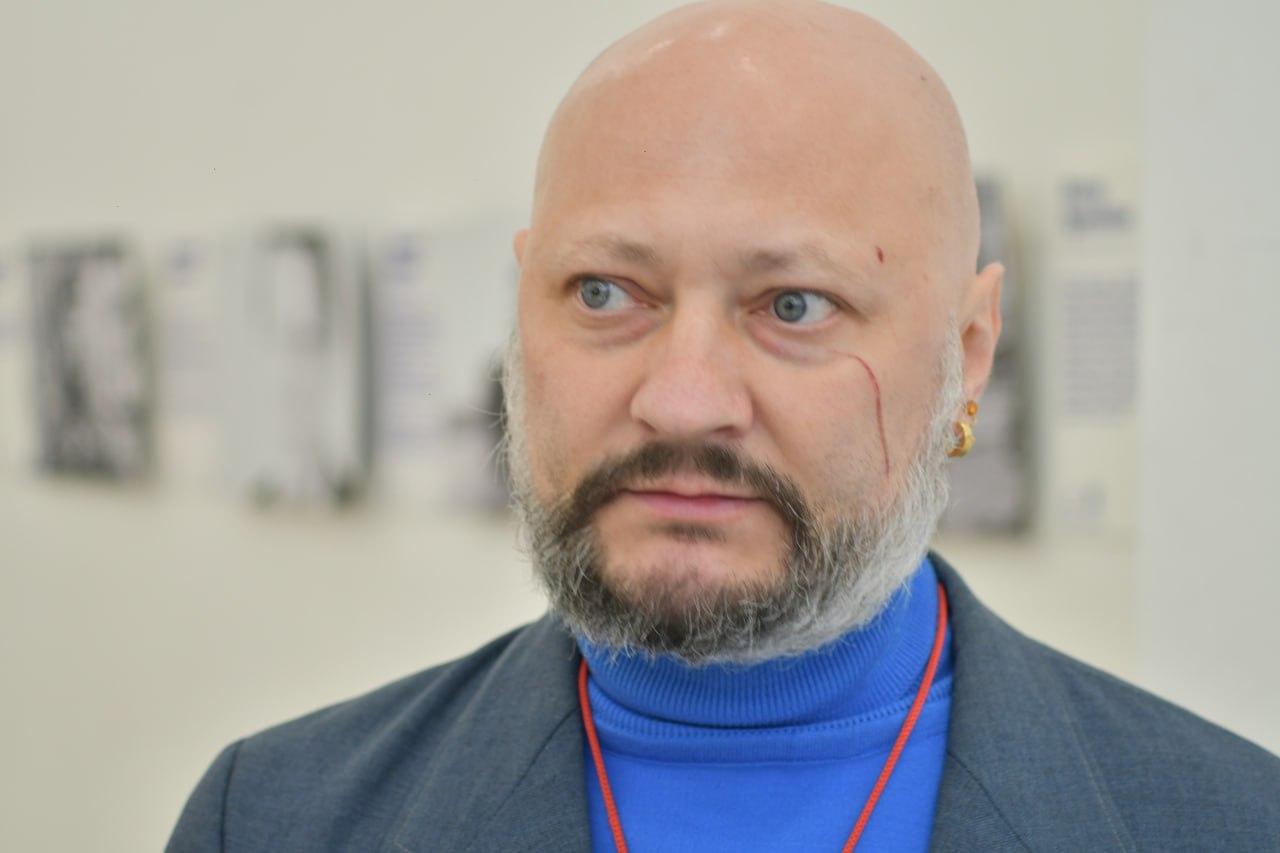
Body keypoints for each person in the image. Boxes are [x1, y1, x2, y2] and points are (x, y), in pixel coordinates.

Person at [167, 1, 1280, 850]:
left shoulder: (1229, 822)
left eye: (793, 305)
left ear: (969, 351)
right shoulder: (273, 819)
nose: (683, 398)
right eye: (605, 292)